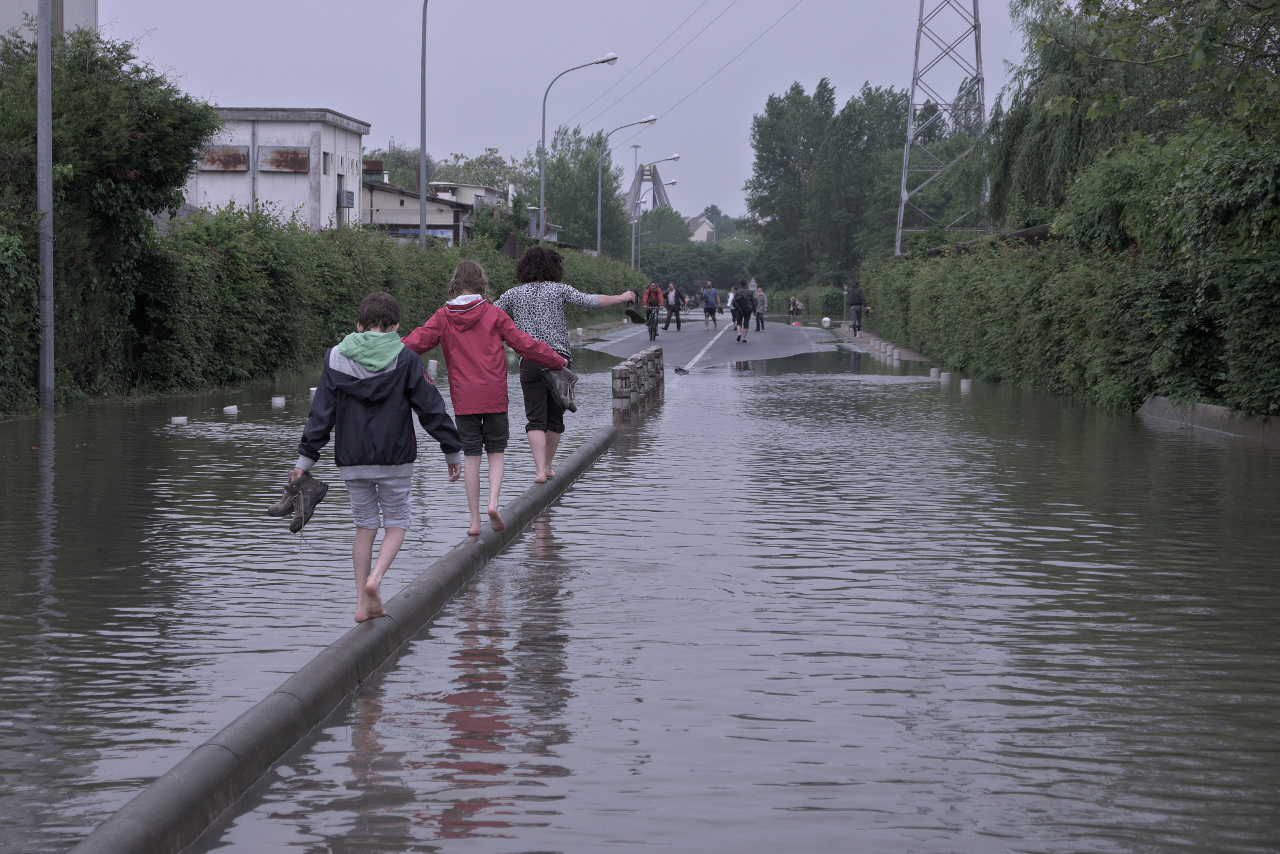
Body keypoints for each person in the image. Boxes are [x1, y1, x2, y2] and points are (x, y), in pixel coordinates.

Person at [291, 292, 463, 624]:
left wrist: (304, 463)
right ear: (397, 326)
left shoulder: (335, 358)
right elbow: (431, 408)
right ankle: (377, 579)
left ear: (359, 325)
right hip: (395, 458)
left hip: (352, 460)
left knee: (364, 526)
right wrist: (451, 449)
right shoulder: (407, 359)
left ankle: (360, 603)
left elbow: (320, 415)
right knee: (397, 522)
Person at [401, 260, 566, 538]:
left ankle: (475, 521)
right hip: (494, 396)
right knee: (496, 452)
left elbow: (414, 343)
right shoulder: (494, 314)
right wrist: (556, 359)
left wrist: (380, 347)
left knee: (471, 458)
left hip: (464, 400)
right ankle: (493, 503)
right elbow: (524, 343)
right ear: (482, 283)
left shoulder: (442, 317)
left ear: (454, 284)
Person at [495, 245, 635, 483]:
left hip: (529, 361)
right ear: (553, 267)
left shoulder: (512, 294)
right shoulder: (559, 289)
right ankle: (549, 466)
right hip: (559, 362)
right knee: (555, 419)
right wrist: (623, 297)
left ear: (523, 268)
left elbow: (488, 315)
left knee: (535, 419)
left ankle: (539, 470)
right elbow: (591, 301)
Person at [733, 278, 755, 343]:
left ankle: (739, 333)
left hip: (739, 309)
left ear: (740, 284)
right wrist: (754, 310)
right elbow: (753, 302)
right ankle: (744, 338)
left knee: (738, 322)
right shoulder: (749, 292)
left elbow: (734, 301)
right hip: (747, 310)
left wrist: (735, 307)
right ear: (746, 284)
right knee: (746, 323)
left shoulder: (737, 292)